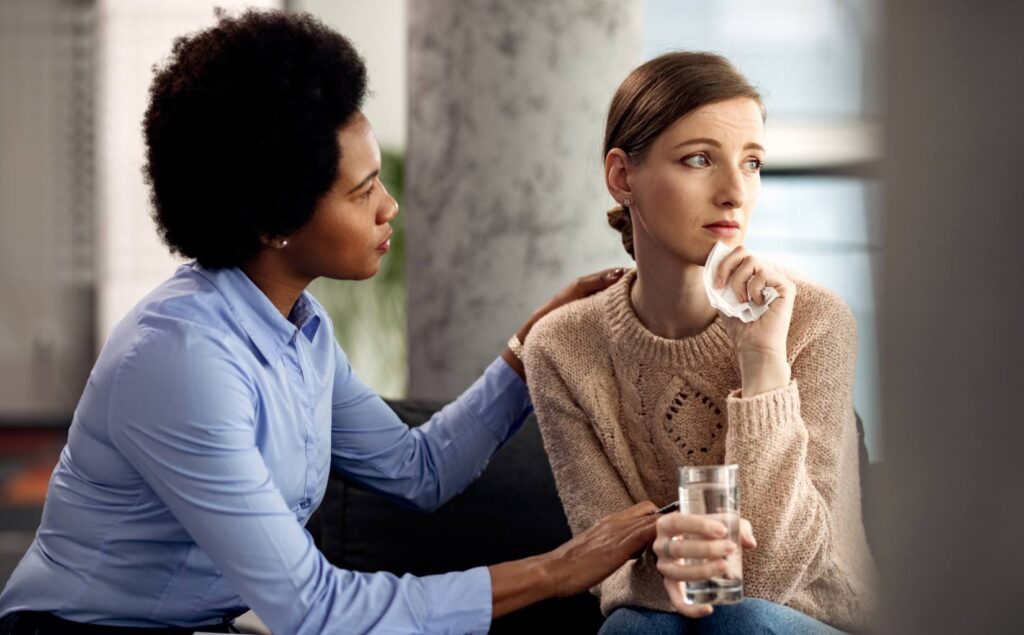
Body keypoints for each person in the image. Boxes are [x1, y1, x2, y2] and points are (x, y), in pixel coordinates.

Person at [0, 11, 660, 635]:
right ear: (273, 218)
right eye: (362, 189)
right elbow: (317, 608)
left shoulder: (299, 327)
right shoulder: (181, 360)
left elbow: (417, 469)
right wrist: (558, 569)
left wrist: (528, 346)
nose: (390, 205)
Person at [523, 52, 876, 633]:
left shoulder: (814, 320)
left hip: (814, 618)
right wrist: (663, 553)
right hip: (667, 617)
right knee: (632, 629)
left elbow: (770, 579)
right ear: (621, 176)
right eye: (698, 159)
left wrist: (762, 361)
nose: (736, 191)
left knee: (741, 622)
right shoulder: (562, 349)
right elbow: (605, 569)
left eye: (753, 162)